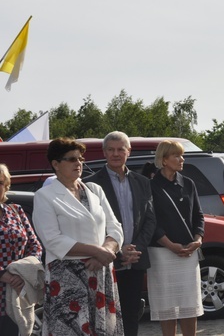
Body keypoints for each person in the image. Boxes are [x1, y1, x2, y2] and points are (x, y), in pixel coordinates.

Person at [33, 138, 126, 335]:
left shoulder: (94, 190)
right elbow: (52, 239)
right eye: (71, 159)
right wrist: (96, 251)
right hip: (67, 276)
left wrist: (108, 250)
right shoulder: (45, 195)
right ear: (55, 164)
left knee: (104, 329)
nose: (78, 163)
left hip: (101, 272)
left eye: (80, 158)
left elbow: (115, 227)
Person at [84, 131, 156, 336]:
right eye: (111, 150)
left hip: (135, 259)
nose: (116, 154)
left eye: (120, 149)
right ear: (104, 152)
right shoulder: (90, 184)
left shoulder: (142, 182)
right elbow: (92, 224)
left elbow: (150, 219)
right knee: (106, 317)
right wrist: (117, 250)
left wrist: (136, 249)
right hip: (106, 261)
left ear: (129, 152)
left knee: (132, 315)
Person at [148, 140, 204, 336]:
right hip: (162, 253)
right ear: (164, 160)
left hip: (189, 253)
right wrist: (170, 245)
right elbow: (151, 220)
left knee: (190, 304)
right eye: (177, 156)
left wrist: (198, 239)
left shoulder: (188, 183)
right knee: (167, 306)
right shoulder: (152, 186)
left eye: (182, 155)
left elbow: (198, 215)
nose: (182, 159)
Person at [0, 164, 43, 336]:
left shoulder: (16, 211)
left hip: (16, 296)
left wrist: (25, 272)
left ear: (7, 185)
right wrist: (4, 275)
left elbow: (35, 245)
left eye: (0, 182)